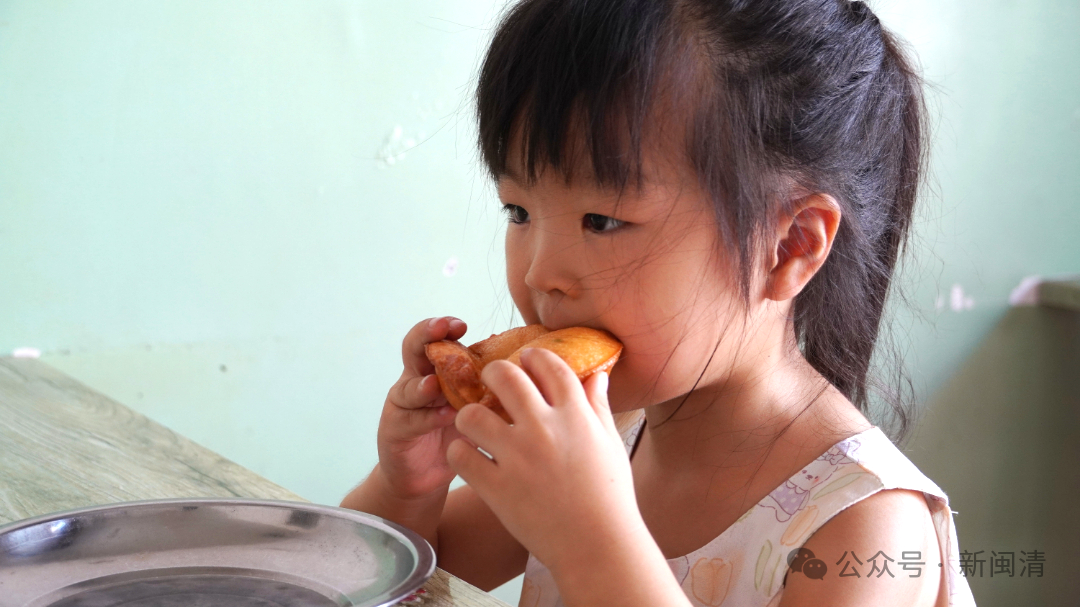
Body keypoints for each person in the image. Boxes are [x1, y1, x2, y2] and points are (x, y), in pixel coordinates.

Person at [341, 0, 978, 605]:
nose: (540, 273)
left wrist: (591, 540)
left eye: (602, 220)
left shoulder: (864, 527)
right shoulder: (603, 433)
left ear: (787, 248)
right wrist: (408, 488)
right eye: (519, 210)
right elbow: (385, 579)